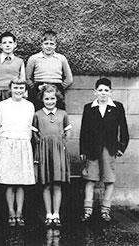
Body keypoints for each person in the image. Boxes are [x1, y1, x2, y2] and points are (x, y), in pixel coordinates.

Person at [79, 78, 129, 222]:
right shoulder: (89, 108)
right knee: (90, 179)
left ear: (111, 92)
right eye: (100, 90)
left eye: (106, 90)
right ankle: (87, 211)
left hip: (110, 148)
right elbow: (84, 131)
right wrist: (83, 150)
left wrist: (121, 147)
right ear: (95, 92)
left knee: (109, 179)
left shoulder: (117, 107)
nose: (103, 93)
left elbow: (124, 129)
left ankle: (105, 210)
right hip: (92, 148)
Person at [0, 77, 35, 227]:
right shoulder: (2, 105)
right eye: (15, 88)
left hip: (23, 143)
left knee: (21, 182)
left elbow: (29, 126)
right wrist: (2, 143)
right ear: (10, 89)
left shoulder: (29, 106)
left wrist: (26, 141)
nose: (18, 91)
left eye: (21, 88)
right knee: (9, 181)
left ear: (24, 90)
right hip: (7, 142)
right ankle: (10, 212)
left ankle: (20, 212)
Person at [32, 84, 71, 227]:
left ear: (57, 98)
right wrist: (41, 145)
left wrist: (62, 144)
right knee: (47, 184)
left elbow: (68, 132)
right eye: (47, 99)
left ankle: (56, 214)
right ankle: (48, 214)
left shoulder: (63, 114)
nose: (50, 101)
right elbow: (34, 133)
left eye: (52, 98)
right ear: (42, 99)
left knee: (57, 184)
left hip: (58, 151)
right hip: (44, 151)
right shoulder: (37, 114)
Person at [26, 30, 74, 110]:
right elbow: (27, 77)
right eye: (46, 44)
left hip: (56, 88)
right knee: (38, 112)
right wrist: (34, 87)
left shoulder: (61, 58)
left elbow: (69, 78)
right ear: (41, 45)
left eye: (51, 44)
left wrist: (59, 87)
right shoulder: (34, 58)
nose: (49, 46)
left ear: (55, 45)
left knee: (58, 113)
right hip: (39, 88)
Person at [0, 31, 26, 104]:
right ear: (0, 45)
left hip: (14, 92)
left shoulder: (20, 61)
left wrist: (24, 93)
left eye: (10, 42)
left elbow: (23, 78)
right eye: (4, 43)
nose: (7, 45)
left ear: (15, 44)